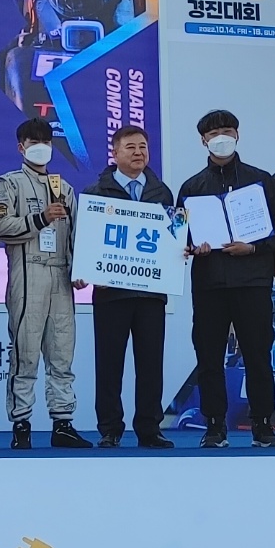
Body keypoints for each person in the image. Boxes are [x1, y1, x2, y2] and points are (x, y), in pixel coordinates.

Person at [177, 109, 275, 449]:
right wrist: (192, 247)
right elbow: (177, 235)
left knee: (257, 354)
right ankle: (214, 425)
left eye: (227, 131)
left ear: (238, 135)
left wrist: (255, 247)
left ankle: (263, 425)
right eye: (214, 134)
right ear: (203, 141)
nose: (222, 138)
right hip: (210, 283)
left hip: (253, 281)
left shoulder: (261, 181)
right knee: (209, 356)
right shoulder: (192, 187)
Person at [0, 117, 93, 450]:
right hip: (29, 272)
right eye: (34, 141)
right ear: (21, 147)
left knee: (62, 352)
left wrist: (80, 267)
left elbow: (76, 233)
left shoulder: (64, 187)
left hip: (60, 274)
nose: (41, 147)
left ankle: (62, 422)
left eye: (46, 142)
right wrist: (41, 217)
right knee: (25, 352)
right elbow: (0, 226)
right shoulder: (9, 183)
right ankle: (21, 423)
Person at [80, 125, 174, 449]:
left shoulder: (162, 193)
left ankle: (149, 428)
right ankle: (110, 428)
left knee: (151, 363)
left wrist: (181, 250)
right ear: (115, 153)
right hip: (111, 292)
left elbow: (171, 238)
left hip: (151, 293)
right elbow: (85, 240)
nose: (138, 153)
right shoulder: (96, 192)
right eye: (131, 147)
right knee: (109, 363)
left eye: (143, 147)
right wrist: (86, 270)